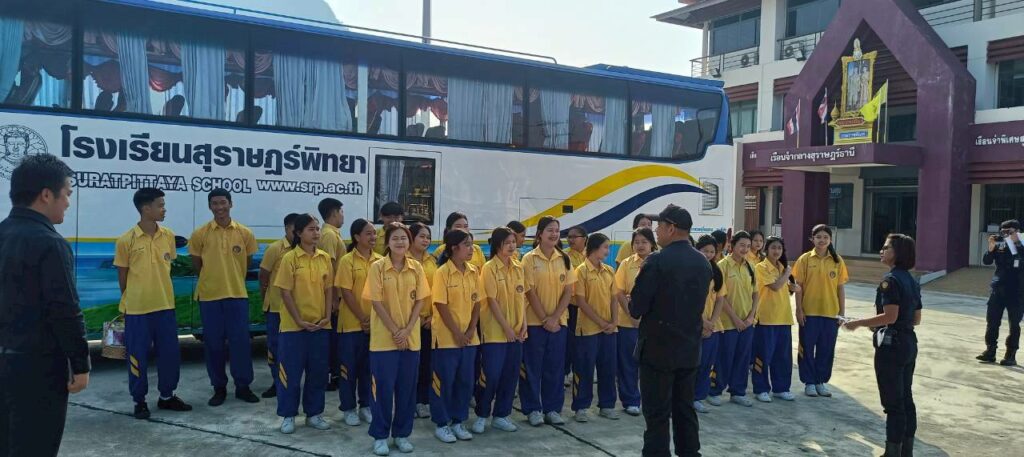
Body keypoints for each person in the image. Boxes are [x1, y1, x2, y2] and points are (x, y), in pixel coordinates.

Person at [0, 155, 90, 457]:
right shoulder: (50, 243)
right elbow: (65, 309)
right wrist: (80, 364)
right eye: (67, 194)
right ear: (46, 195)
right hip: (37, 370)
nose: (68, 203)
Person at [629, 204, 711, 457]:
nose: (656, 231)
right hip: (689, 350)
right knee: (685, 409)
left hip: (658, 350)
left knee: (657, 413)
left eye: (659, 226)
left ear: (671, 228)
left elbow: (637, 307)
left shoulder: (657, 261)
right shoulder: (702, 262)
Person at [114, 188, 192, 419]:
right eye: (160, 205)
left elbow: (167, 267)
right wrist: (131, 299)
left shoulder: (168, 235)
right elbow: (122, 277)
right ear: (146, 208)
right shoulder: (126, 240)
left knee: (169, 355)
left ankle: (167, 396)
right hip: (137, 310)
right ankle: (139, 400)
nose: (164, 209)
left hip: (165, 306)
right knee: (137, 356)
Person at [844, 234, 922, 457]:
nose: (882, 250)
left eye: (886, 247)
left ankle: (892, 451)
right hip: (908, 342)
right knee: (906, 399)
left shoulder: (891, 280)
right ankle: (906, 450)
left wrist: (858, 323)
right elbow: (916, 319)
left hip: (892, 347)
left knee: (893, 403)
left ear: (898, 253)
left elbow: (889, 316)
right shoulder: (912, 280)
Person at [363, 223, 430, 456]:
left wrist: (408, 329)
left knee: (407, 391)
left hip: (411, 339)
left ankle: (402, 434)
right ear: (388, 242)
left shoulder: (416, 268)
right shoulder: (377, 267)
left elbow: (420, 301)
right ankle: (380, 436)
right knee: (382, 390)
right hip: (384, 340)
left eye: (404, 238)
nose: (400, 242)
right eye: (395, 238)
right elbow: (376, 302)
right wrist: (395, 331)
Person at [189, 188, 260, 406]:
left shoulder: (245, 233)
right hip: (209, 297)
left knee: (241, 344)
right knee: (213, 345)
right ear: (209, 206)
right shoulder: (200, 234)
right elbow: (197, 264)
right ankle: (218, 387)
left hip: (237, 295)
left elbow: (246, 263)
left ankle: (243, 386)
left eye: (223, 202)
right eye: (215, 203)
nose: (219, 207)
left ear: (231, 204)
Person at [273, 214, 334, 434]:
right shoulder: (290, 258)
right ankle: (288, 415)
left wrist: (327, 316)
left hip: (320, 326)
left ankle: (314, 414)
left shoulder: (324, 258)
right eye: (311, 229)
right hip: (294, 328)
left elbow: (329, 290)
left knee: (318, 372)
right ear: (298, 233)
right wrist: (299, 320)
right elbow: (285, 292)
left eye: (317, 229)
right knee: (290, 374)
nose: (316, 233)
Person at [521, 216, 577, 427]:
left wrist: (554, 318)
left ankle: (552, 409)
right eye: (550, 230)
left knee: (555, 368)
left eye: (557, 230)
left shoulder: (564, 259)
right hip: (535, 323)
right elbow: (529, 291)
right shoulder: (529, 259)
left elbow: (568, 291)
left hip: (558, 324)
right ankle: (533, 409)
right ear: (540, 234)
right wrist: (545, 318)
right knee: (532, 368)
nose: (554, 234)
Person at [430, 229, 483, 443]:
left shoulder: (473, 271)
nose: (471, 249)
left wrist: (470, 330)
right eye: (467, 245)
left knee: (465, 381)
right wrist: (457, 333)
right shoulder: (442, 272)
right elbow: (441, 305)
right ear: (454, 248)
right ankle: (442, 424)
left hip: (469, 339)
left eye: (471, 244)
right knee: (444, 382)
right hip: (446, 338)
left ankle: (458, 421)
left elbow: (477, 302)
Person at [473, 227, 527, 433]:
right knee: (491, 375)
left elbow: (521, 298)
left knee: (510, 376)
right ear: (498, 245)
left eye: (513, 242)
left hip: (516, 333)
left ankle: (501, 415)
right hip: (495, 333)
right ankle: (482, 414)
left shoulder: (518, 267)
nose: (512, 246)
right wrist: (506, 328)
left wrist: (522, 325)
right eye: (507, 243)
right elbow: (492, 301)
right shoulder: (489, 268)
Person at [335, 219, 382, 426]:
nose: (373, 237)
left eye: (374, 233)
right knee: (348, 370)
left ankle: (366, 406)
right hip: (351, 325)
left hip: (375, 326)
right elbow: (346, 292)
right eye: (368, 233)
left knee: (368, 369)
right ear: (356, 237)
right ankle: (348, 408)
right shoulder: (347, 261)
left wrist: (373, 320)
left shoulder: (381, 261)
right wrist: (363, 318)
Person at [794, 224, 849, 398]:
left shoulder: (837, 261)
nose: (822, 240)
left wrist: (842, 313)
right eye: (818, 237)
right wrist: (799, 310)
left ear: (830, 240)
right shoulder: (804, 259)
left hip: (830, 313)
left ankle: (820, 381)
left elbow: (840, 288)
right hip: (809, 313)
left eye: (825, 237)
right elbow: (798, 287)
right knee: (807, 348)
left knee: (826, 349)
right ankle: (809, 382)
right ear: (812, 239)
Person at [571, 233, 619, 422]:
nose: (607, 251)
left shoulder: (609, 270)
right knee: (584, 368)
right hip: (588, 329)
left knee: (608, 368)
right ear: (595, 248)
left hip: (609, 330)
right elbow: (581, 301)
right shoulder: (581, 271)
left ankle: (607, 405)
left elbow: (614, 299)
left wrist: (614, 322)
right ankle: (581, 407)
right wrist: (601, 322)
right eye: (605, 247)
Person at [708, 231, 759, 407]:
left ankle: (738, 391)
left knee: (743, 358)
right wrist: (735, 319)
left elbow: (756, 294)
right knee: (724, 357)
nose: (745, 249)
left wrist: (751, 316)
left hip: (747, 323)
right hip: (728, 323)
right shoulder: (722, 266)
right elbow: (721, 297)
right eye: (741, 245)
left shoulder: (750, 266)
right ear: (732, 245)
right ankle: (715, 390)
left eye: (748, 246)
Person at [613, 228, 657, 416]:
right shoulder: (626, 264)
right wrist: (632, 316)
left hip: (653, 324)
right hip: (627, 322)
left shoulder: (659, 262)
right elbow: (619, 292)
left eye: (644, 242)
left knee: (652, 365)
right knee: (628, 364)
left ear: (652, 244)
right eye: (636, 242)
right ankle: (631, 400)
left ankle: (652, 400)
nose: (640, 245)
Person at [258, 213, 300, 398]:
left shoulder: (306, 250)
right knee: (275, 348)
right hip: (276, 308)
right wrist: (267, 297)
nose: (297, 234)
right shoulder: (275, 249)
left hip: (298, 309)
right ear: (286, 229)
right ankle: (277, 382)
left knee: (295, 350)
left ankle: (292, 382)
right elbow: (263, 276)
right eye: (294, 230)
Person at [752, 236, 799, 403]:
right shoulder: (761, 267)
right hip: (766, 318)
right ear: (766, 250)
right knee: (763, 356)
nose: (776, 251)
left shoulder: (782, 267)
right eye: (773, 248)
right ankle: (761, 388)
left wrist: (793, 287)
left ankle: (782, 388)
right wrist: (787, 274)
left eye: (779, 248)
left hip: (784, 317)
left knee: (783, 357)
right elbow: (775, 286)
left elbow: (786, 289)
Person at [977, 220, 1023, 366]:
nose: (1006, 235)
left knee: (1014, 324)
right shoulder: (1000, 245)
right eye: (1003, 232)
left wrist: (1017, 244)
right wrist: (991, 248)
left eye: (1009, 232)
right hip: (998, 288)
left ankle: (1011, 354)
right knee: (992, 321)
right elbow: (986, 261)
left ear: (1017, 232)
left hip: (1017, 291)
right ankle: (990, 351)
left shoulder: (1022, 245)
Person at [692, 235, 727, 414]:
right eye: (705, 251)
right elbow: (687, 299)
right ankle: (688, 396)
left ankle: (698, 397)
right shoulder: (690, 270)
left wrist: (711, 322)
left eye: (712, 251)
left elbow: (720, 299)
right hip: (694, 325)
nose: (708, 254)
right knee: (692, 364)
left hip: (713, 326)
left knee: (706, 364)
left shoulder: (716, 271)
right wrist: (702, 321)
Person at [408, 222, 439, 419]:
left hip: (429, 322)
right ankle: (408, 402)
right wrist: (415, 319)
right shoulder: (403, 260)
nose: (426, 240)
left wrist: (433, 316)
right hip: (409, 323)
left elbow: (437, 291)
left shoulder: (431, 261)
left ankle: (422, 401)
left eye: (428, 237)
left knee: (426, 365)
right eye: (421, 236)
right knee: (410, 366)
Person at [318, 198, 347, 392]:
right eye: (341, 212)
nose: (343, 216)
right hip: (335, 296)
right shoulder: (329, 235)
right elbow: (329, 268)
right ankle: (332, 375)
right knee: (333, 340)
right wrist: (335, 299)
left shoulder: (332, 233)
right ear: (334, 213)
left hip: (336, 294)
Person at [564, 225, 588, 385]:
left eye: (575, 237)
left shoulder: (590, 254)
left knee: (584, 342)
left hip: (587, 306)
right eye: (569, 237)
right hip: (571, 306)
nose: (571, 240)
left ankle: (580, 371)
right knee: (569, 342)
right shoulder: (564, 256)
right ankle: (565, 371)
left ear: (584, 239)